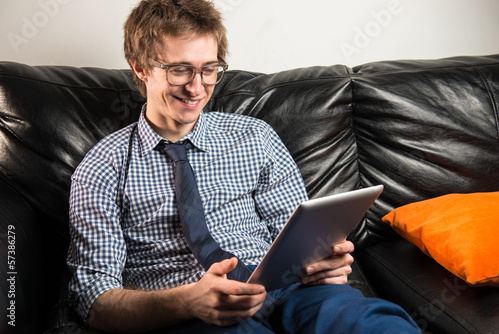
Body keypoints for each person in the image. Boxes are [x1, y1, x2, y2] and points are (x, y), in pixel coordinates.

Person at [67, 0, 421, 333]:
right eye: (179, 71)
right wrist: (184, 302)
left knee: (372, 324)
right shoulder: (102, 168)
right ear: (140, 67)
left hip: (293, 293)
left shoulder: (255, 137)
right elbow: (94, 300)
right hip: (191, 311)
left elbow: (297, 238)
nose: (196, 87)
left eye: (209, 70)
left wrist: (323, 264)